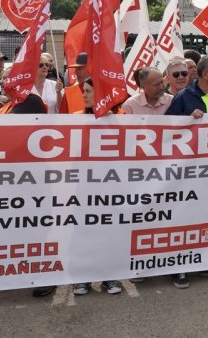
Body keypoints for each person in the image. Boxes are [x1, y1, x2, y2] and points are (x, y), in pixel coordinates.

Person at [165, 55, 208, 286]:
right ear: (205, 75)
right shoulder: (184, 97)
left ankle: (207, 262)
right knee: (184, 215)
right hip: (188, 170)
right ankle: (179, 267)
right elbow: (167, 129)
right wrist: (188, 121)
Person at [68, 79, 125, 296]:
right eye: (83, 91)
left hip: (111, 186)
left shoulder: (121, 119)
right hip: (82, 186)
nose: (84, 95)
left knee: (108, 230)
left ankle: (109, 276)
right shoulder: (75, 118)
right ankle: (82, 278)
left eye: (88, 91)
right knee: (82, 230)